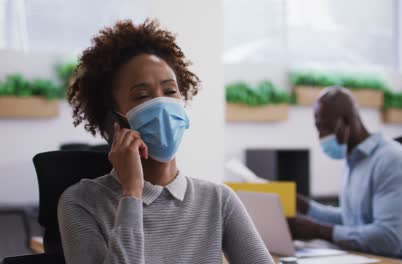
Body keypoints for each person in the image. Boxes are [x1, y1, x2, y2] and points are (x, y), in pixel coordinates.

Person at [58, 19, 273, 264]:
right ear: (114, 120)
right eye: (142, 95)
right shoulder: (81, 202)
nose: (162, 105)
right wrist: (131, 193)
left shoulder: (218, 199)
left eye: (171, 91)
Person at [288, 87, 402, 263]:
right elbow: (353, 219)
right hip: (367, 256)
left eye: (325, 128)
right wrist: (307, 207)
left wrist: (319, 230)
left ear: (346, 121)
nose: (321, 136)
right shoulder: (354, 161)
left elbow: (388, 238)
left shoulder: (393, 161)